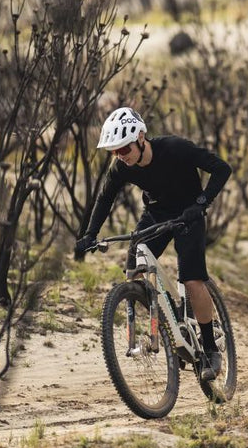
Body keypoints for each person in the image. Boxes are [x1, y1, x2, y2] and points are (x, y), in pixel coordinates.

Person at [75, 107, 232, 381]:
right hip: (157, 213)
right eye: (115, 152)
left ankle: (209, 347)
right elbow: (104, 199)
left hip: (188, 213)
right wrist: (89, 234)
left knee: (193, 280)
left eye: (124, 149)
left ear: (140, 137)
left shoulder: (175, 148)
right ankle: (168, 319)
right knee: (133, 270)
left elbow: (222, 169)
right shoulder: (121, 167)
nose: (121, 156)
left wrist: (202, 203)